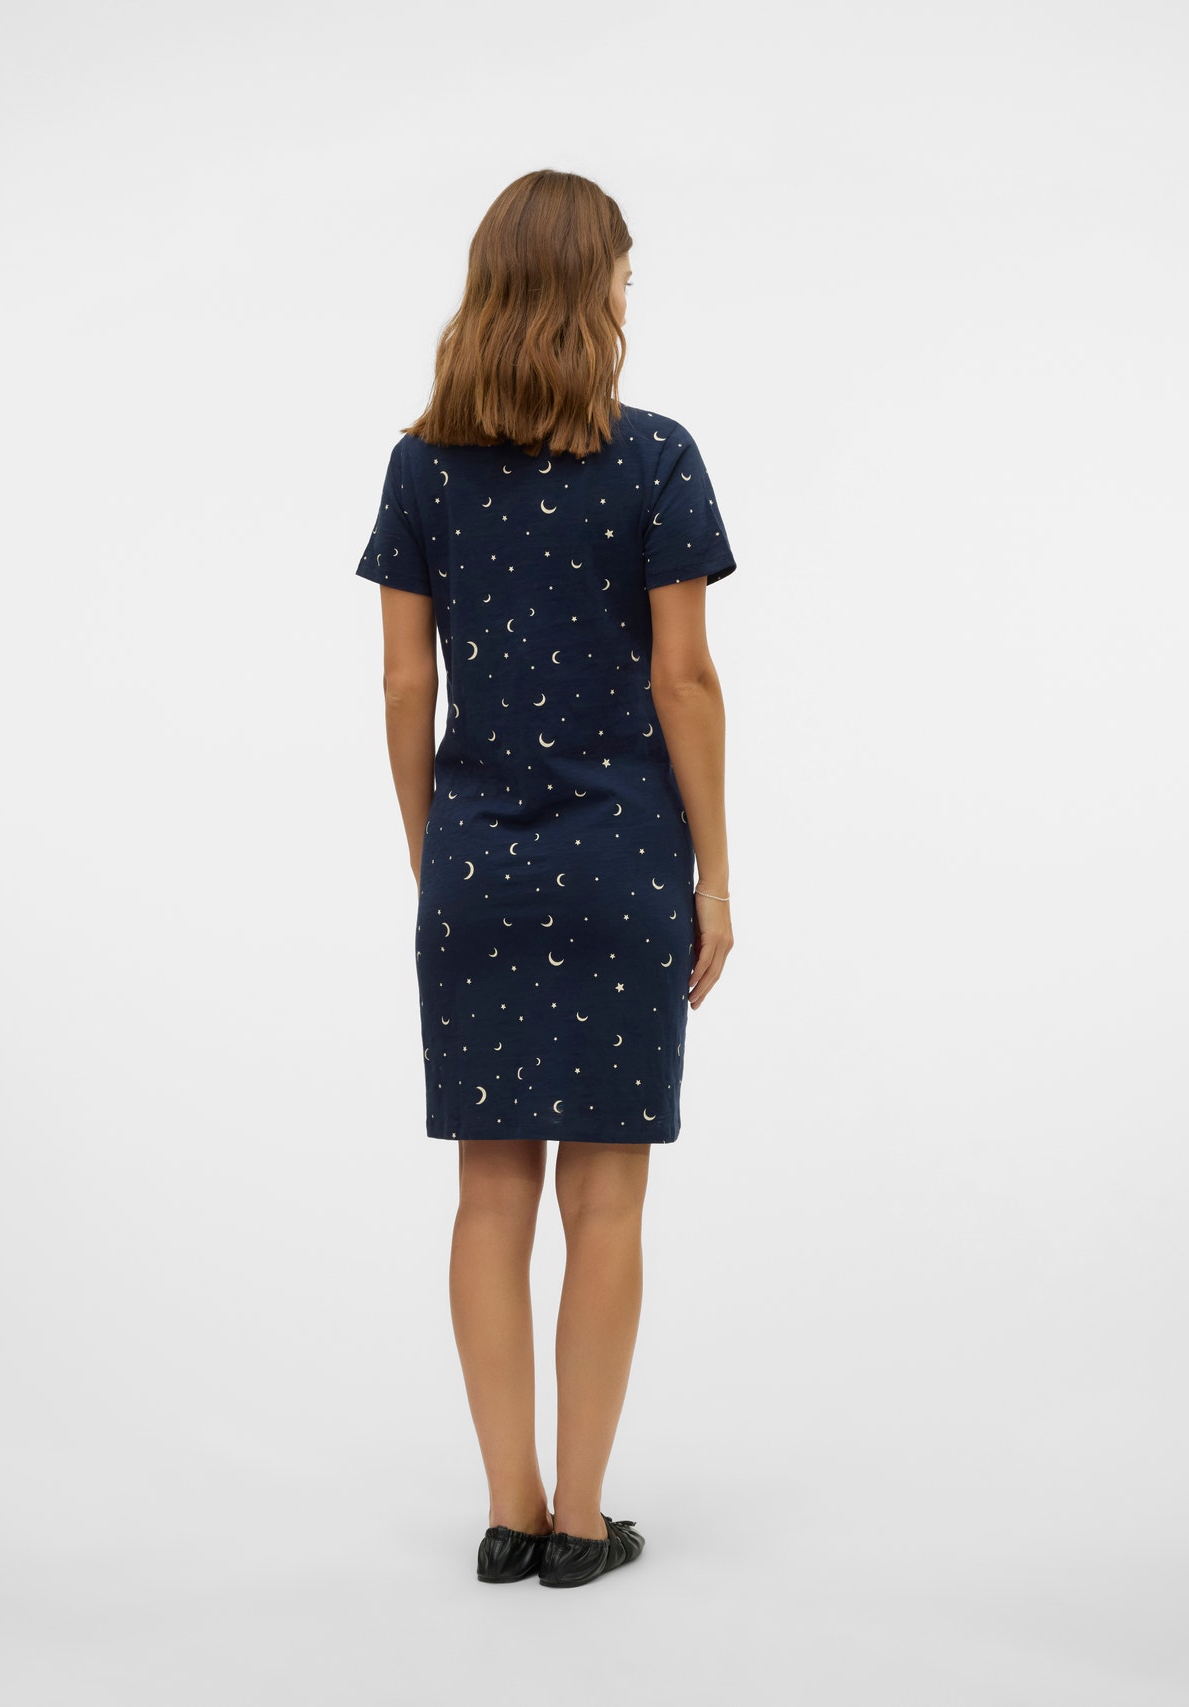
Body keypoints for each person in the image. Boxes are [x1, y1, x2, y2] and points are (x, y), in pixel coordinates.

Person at [354, 169, 736, 1589]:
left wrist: (431, 846)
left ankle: (508, 1510)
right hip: (627, 861)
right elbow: (686, 681)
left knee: (489, 1197)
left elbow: (404, 685)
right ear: (594, 292)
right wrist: (714, 878)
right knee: (607, 1204)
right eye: (626, 276)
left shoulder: (420, 468)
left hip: (478, 865)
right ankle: (582, 1522)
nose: (632, 298)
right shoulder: (658, 459)